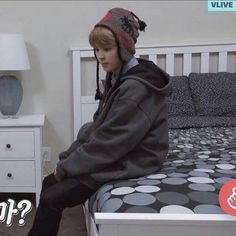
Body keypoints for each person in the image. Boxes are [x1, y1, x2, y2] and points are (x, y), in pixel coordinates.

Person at [28, 7, 171, 236]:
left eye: (107, 49)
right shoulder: (118, 76)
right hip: (119, 150)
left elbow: (110, 143)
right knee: (48, 184)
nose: (100, 56)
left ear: (124, 49)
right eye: (96, 49)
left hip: (135, 157)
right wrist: (68, 159)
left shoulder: (136, 88)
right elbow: (99, 127)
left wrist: (67, 167)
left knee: (51, 198)